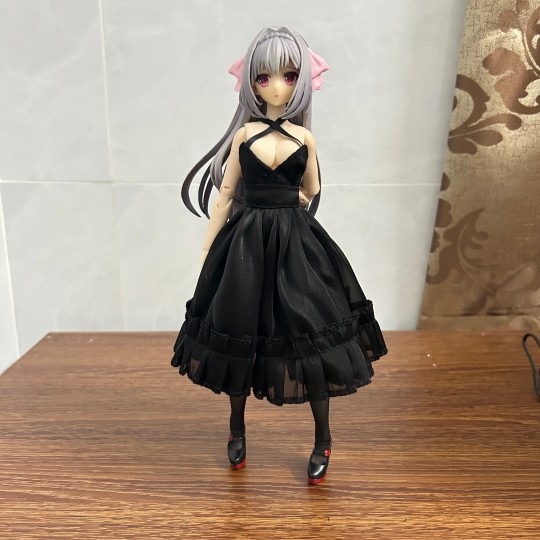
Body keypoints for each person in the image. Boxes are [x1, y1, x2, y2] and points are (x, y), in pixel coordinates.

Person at [171, 26, 387, 484]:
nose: (276, 86)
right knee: (238, 328)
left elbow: (312, 187)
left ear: (302, 82)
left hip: (295, 244)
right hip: (246, 244)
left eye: (289, 76)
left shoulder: (304, 139)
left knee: (310, 330)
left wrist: (289, 207)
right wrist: (209, 247)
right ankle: (236, 429)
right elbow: (225, 194)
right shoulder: (244, 135)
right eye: (264, 77)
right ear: (251, 82)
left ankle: (323, 438)